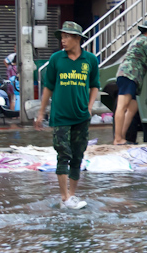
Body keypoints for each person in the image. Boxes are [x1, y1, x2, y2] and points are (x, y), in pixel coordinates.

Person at [34, 21, 100, 210]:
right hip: (61, 116)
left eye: (66, 37)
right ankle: (64, 198)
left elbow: (95, 84)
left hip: (81, 115)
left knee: (78, 156)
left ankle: (71, 196)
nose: (63, 41)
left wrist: (89, 106)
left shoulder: (90, 60)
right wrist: (41, 112)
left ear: (77, 38)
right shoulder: (56, 59)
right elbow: (48, 87)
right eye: (62, 37)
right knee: (63, 154)